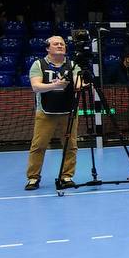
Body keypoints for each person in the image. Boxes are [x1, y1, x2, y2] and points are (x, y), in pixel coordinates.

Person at [25, 36, 85, 191]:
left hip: (68, 111)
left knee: (70, 145)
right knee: (38, 145)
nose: (60, 46)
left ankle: (67, 176)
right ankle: (33, 177)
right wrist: (55, 85)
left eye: (62, 44)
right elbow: (36, 87)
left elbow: (78, 84)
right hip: (45, 112)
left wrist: (82, 84)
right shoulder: (39, 64)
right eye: (56, 44)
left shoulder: (72, 65)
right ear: (48, 48)